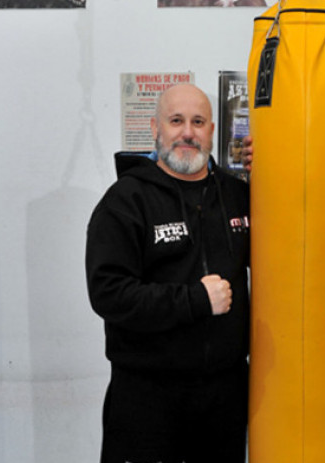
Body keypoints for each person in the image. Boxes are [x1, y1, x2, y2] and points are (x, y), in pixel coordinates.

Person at [85, 83, 251, 463]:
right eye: (176, 121)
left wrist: (275, 172)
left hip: (224, 398)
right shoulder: (126, 200)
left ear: (212, 131)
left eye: (198, 122)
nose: (187, 132)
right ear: (156, 128)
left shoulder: (237, 195)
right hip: (147, 398)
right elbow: (108, 293)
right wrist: (193, 300)